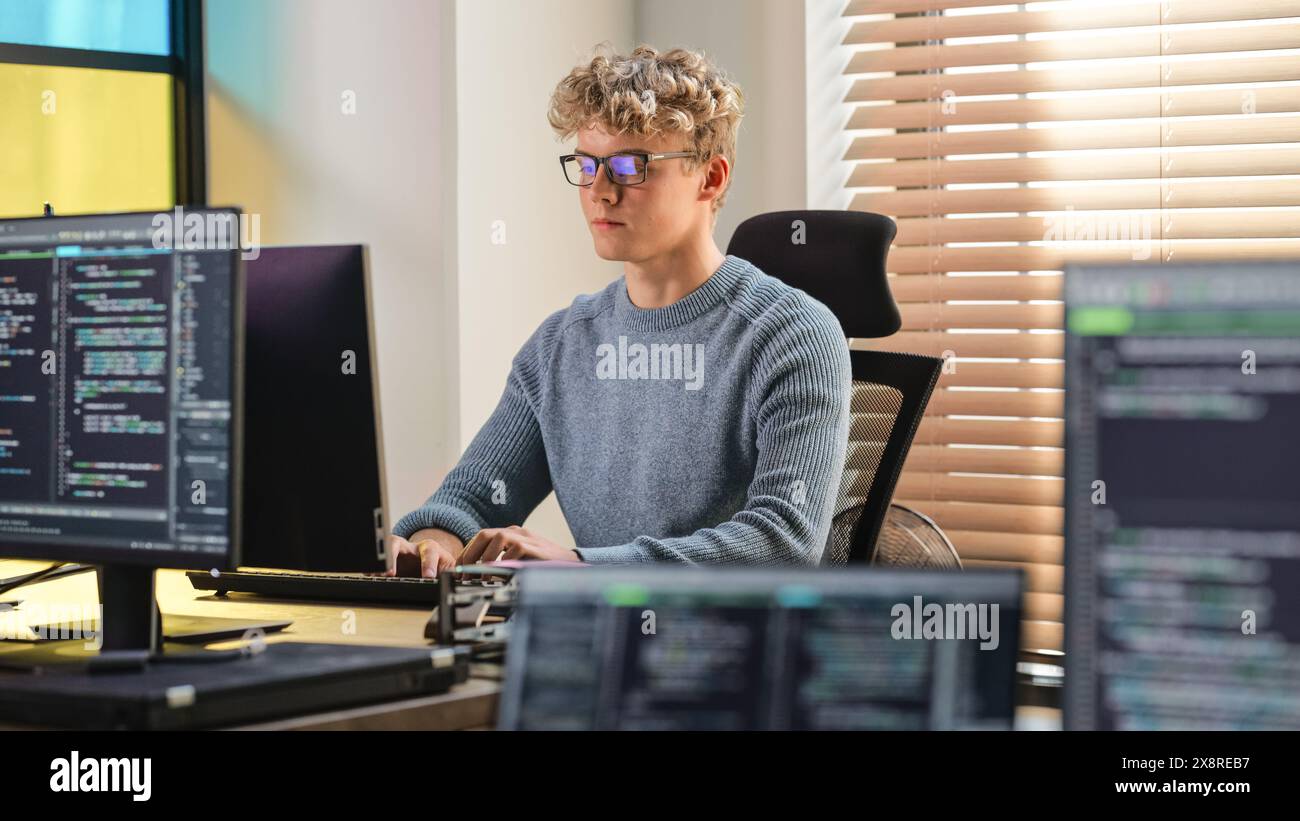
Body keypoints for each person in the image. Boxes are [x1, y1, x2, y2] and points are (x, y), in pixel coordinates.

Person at [387, 43, 850, 577]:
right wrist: (431, 543)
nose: (600, 192)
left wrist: (583, 566)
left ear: (712, 178)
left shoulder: (792, 336)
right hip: (595, 640)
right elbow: (469, 503)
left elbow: (783, 541)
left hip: (726, 647)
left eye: (631, 167)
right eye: (588, 165)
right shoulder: (561, 345)